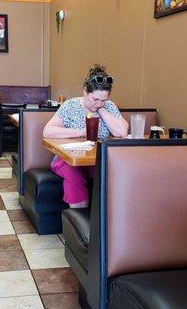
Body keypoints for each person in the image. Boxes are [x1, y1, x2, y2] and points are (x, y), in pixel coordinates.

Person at [43, 64, 128, 208]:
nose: (99, 103)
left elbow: (121, 132)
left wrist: (101, 109)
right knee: (74, 171)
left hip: (97, 160)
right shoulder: (71, 105)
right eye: (95, 99)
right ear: (84, 91)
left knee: (118, 171)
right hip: (68, 159)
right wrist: (82, 132)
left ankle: (111, 219)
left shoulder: (108, 106)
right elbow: (48, 131)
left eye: (103, 100)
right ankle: (79, 222)